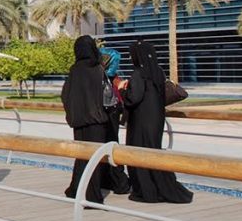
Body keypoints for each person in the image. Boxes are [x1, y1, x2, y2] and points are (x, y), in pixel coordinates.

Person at [122, 40, 193, 204]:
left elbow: (133, 98)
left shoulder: (138, 74)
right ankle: (159, 185)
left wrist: (122, 90)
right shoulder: (158, 72)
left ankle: (146, 190)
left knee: (139, 152)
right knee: (153, 151)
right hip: (156, 119)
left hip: (141, 121)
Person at [61, 35, 110, 204]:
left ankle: (77, 189)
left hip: (79, 122)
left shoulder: (75, 70)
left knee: (81, 156)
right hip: (97, 121)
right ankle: (91, 195)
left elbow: (66, 95)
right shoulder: (98, 69)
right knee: (94, 158)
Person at [98, 47, 131, 195]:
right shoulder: (109, 78)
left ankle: (108, 179)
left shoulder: (102, 76)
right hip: (110, 117)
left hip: (104, 118)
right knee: (111, 146)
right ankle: (117, 181)